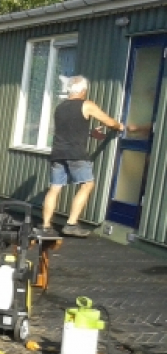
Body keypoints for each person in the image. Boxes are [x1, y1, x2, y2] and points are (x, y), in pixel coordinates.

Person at [41, 75, 123, 238]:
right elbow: (109, 122)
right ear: (83, 90)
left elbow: (69, 129)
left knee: (55, 188)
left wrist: (90, 133)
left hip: (58, 153)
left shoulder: (60, 107)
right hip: (76, 154)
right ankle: (71, 224)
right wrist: (119, 126)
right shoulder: (87, 105)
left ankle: (45, 226)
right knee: (87, 185)